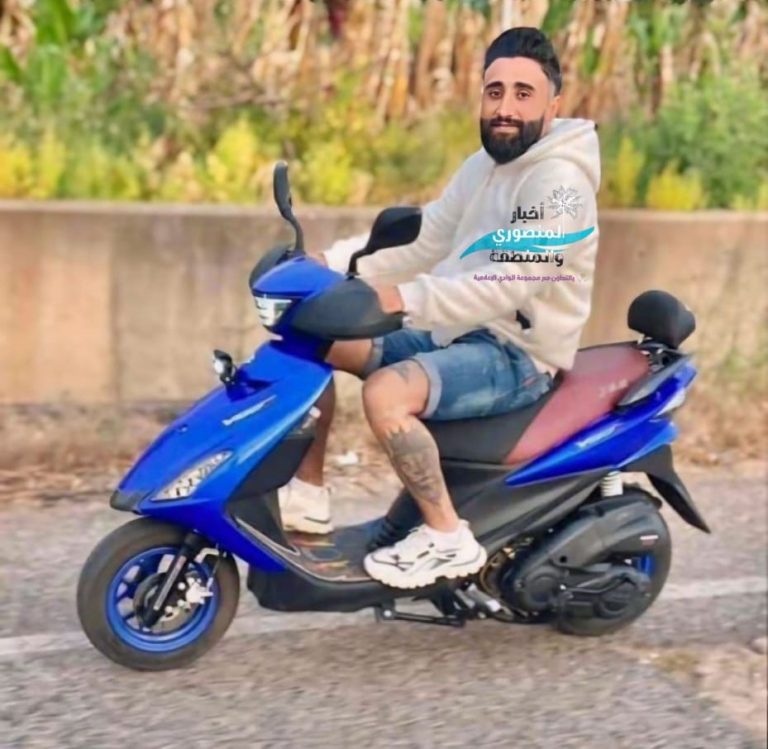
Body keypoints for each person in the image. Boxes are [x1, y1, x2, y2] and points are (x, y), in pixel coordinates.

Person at [279, 26, 601, 590]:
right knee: (315, 339)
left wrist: (406, 297)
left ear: (553, 105)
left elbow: (508, 282)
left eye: (523, 93)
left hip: (517, 354)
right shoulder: (484, 165)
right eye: (494, 91)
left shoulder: (560, 186)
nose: (504, 107)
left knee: (387, 394)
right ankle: (307, 496)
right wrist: (330, 263)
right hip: (454, 329)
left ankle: (447, 535)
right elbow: (424, 237)